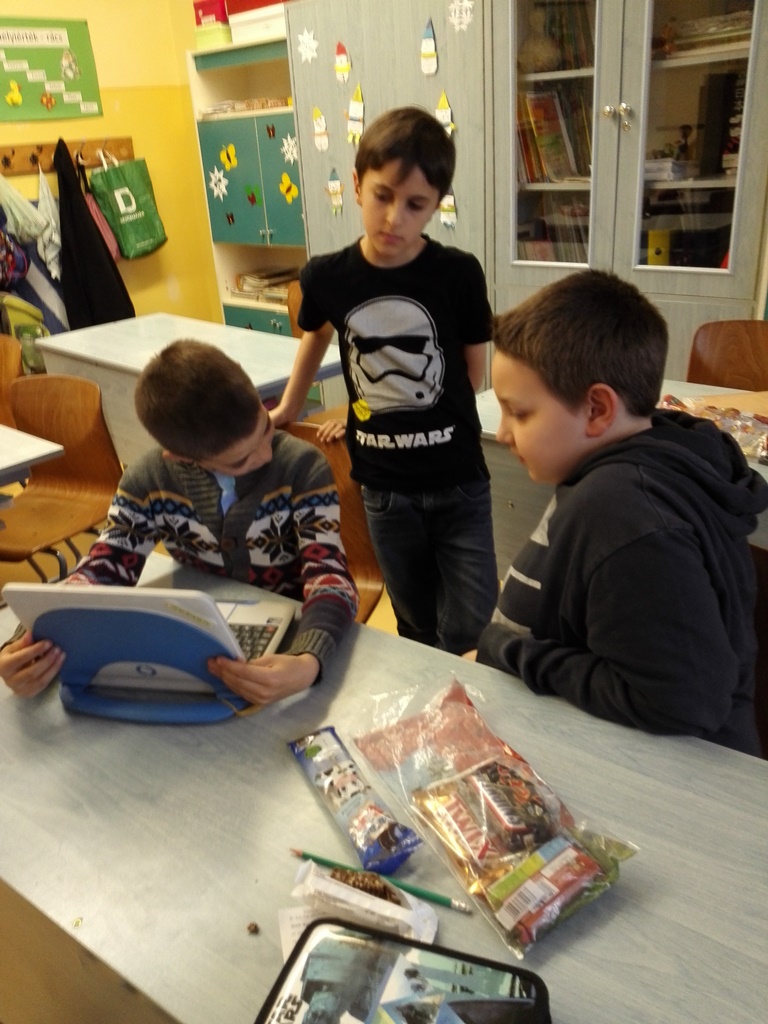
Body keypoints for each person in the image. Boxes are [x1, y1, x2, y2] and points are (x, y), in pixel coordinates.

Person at [471, 269, 768, 755]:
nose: (503, 433)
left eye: (519, 413)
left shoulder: (626, 516)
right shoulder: (616, 467)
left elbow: (682, 702)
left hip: (666, 778)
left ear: (597, 409)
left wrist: (511, 652)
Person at [1, 340, 359, 705]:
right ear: (181, 458)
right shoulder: (148, 479)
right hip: (200, 634)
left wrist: (308, 659)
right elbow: (103, 569)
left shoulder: (302, 466)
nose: (266, 453)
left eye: (266, 427)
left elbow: (330, 575)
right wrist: (28, 642)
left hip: (295, 631)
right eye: (239, 460)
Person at [271, 106, 498, 654]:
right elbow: (315, 337)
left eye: (415, 204)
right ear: (356, 185)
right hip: (384, 487)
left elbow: (472, 372)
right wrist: (287, 409)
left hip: (458, 481)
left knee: (473, 626)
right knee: (414, 622)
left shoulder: (458, 273)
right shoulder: (327, 276)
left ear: (436, 204)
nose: (395, 217)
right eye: (382, 196)